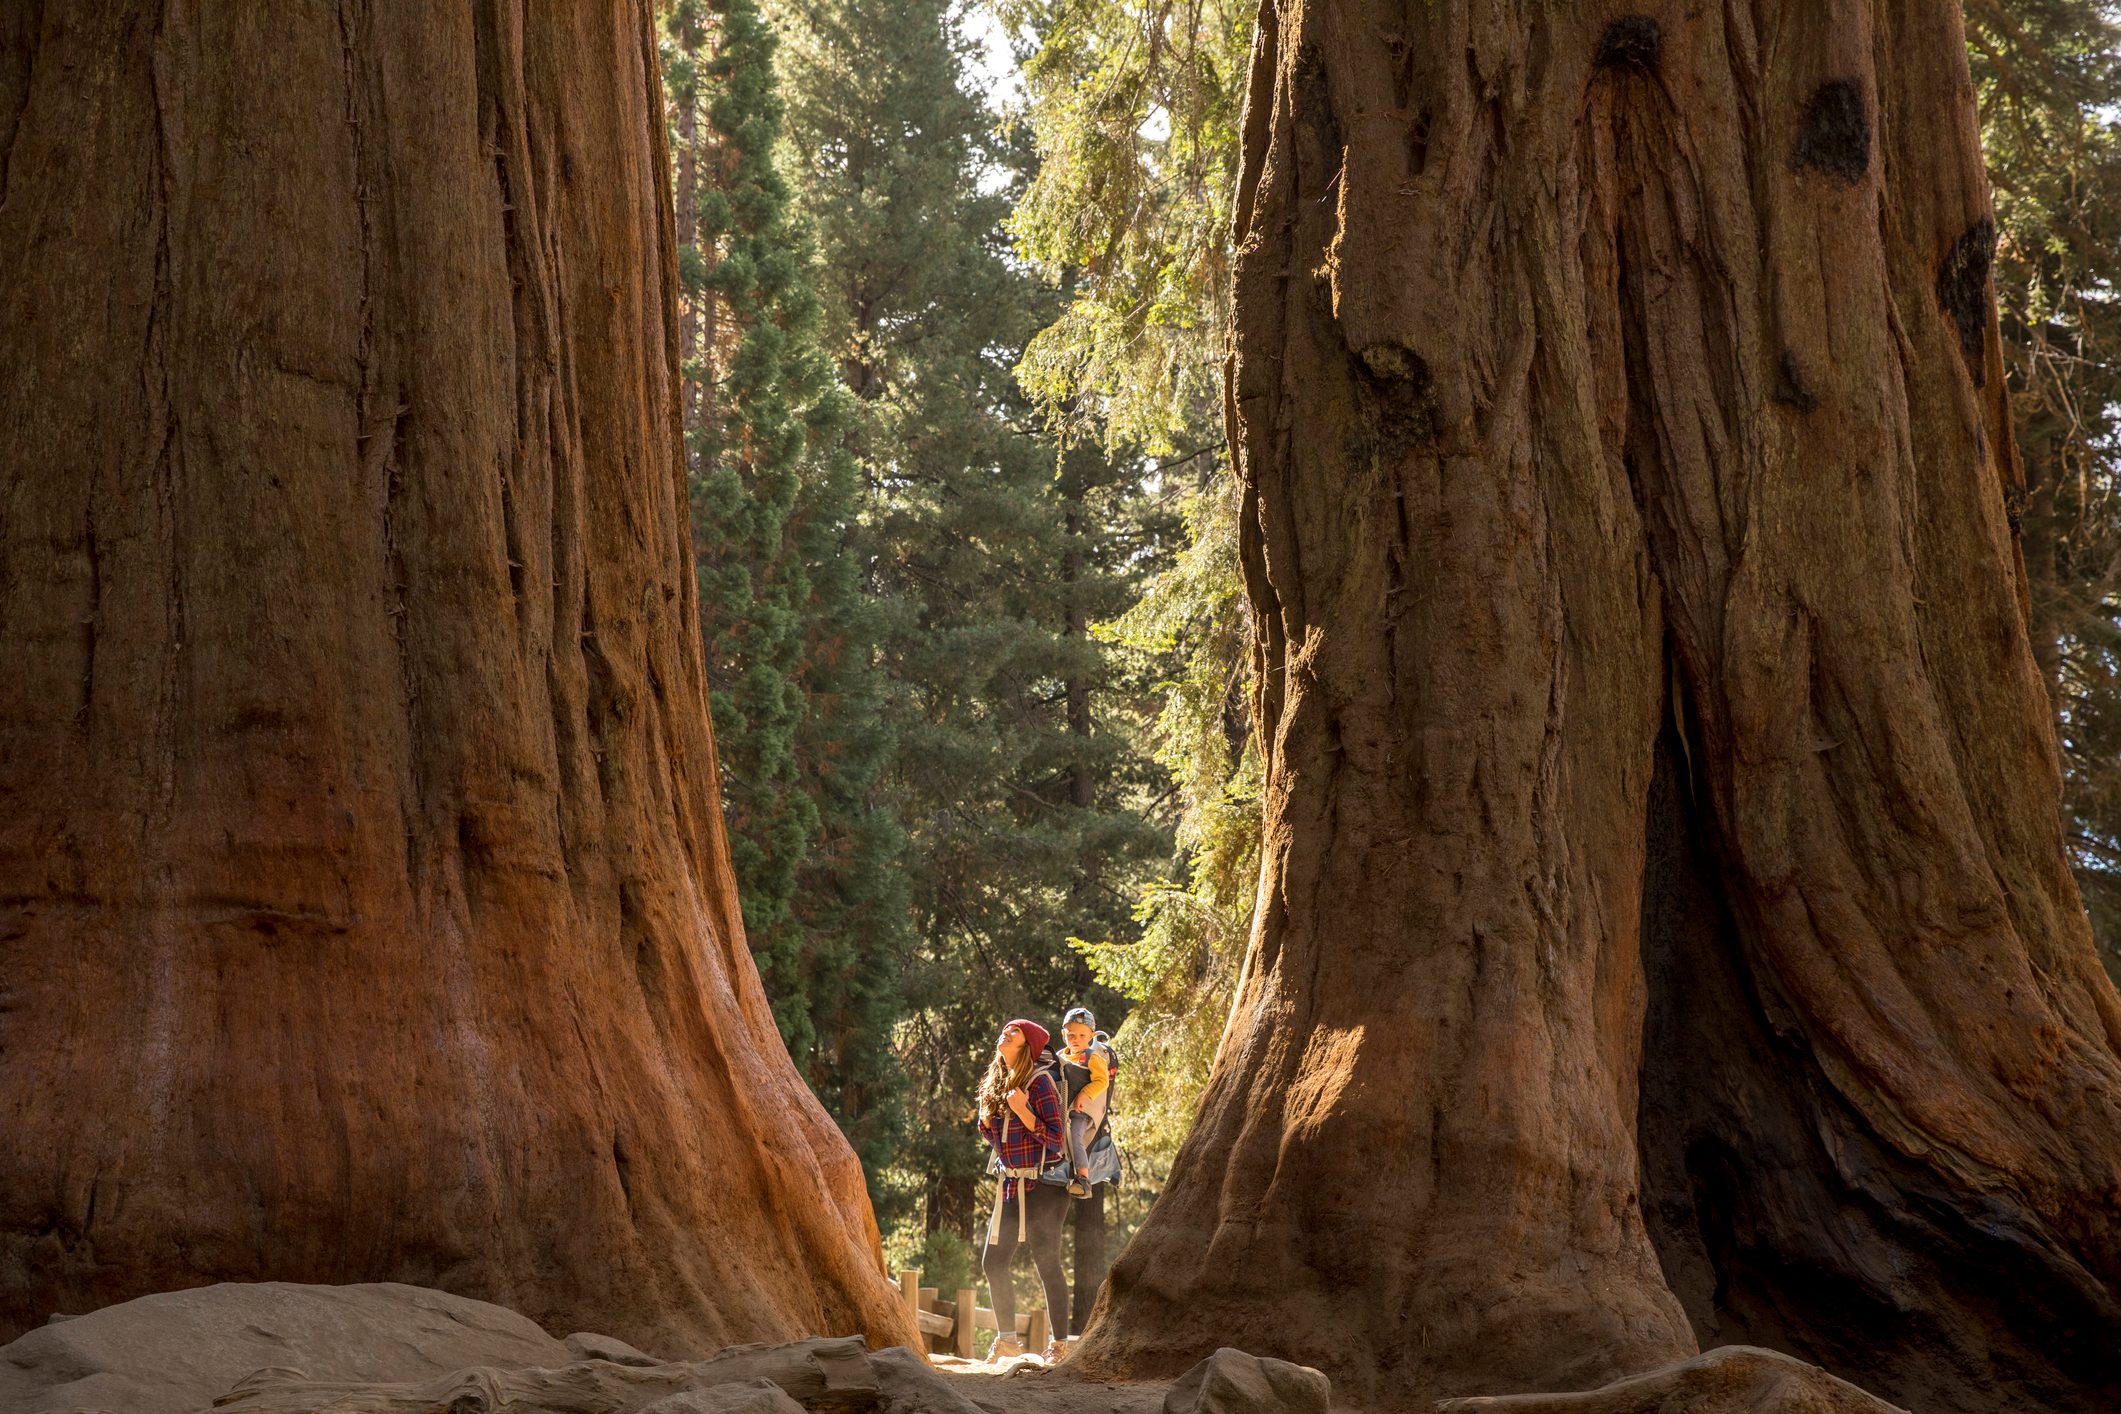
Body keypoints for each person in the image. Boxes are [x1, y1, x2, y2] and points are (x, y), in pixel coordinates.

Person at [976, 1018, 1070, 1363]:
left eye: (1015, 1031)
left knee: (1046, 1262)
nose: (1006, 1031)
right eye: (1005, 1028)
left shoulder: (1041, 1082)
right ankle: (1007, 1342)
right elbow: (997, 1141)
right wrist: (986, 1122)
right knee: (993, 1262)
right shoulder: (996, 1082)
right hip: (1011, 1184)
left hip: (1045, 1184)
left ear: (1028, 1045)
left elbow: (1057, 1141)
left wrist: (1024, 1112)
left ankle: (1060, 1346)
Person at [1056, 1006, 1116, 1198]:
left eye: (1082, 1035)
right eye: (1071, 1035)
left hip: (1079, 1112)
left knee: (1076, 1137)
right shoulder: (1060, 1057)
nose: (1076, 1039)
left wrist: (1083, 1095)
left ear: (1091, 1036)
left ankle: (1083, 1179)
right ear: (1063, 1034)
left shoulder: (1092, 1057)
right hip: (1060, 1109)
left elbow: (1102, 1081)